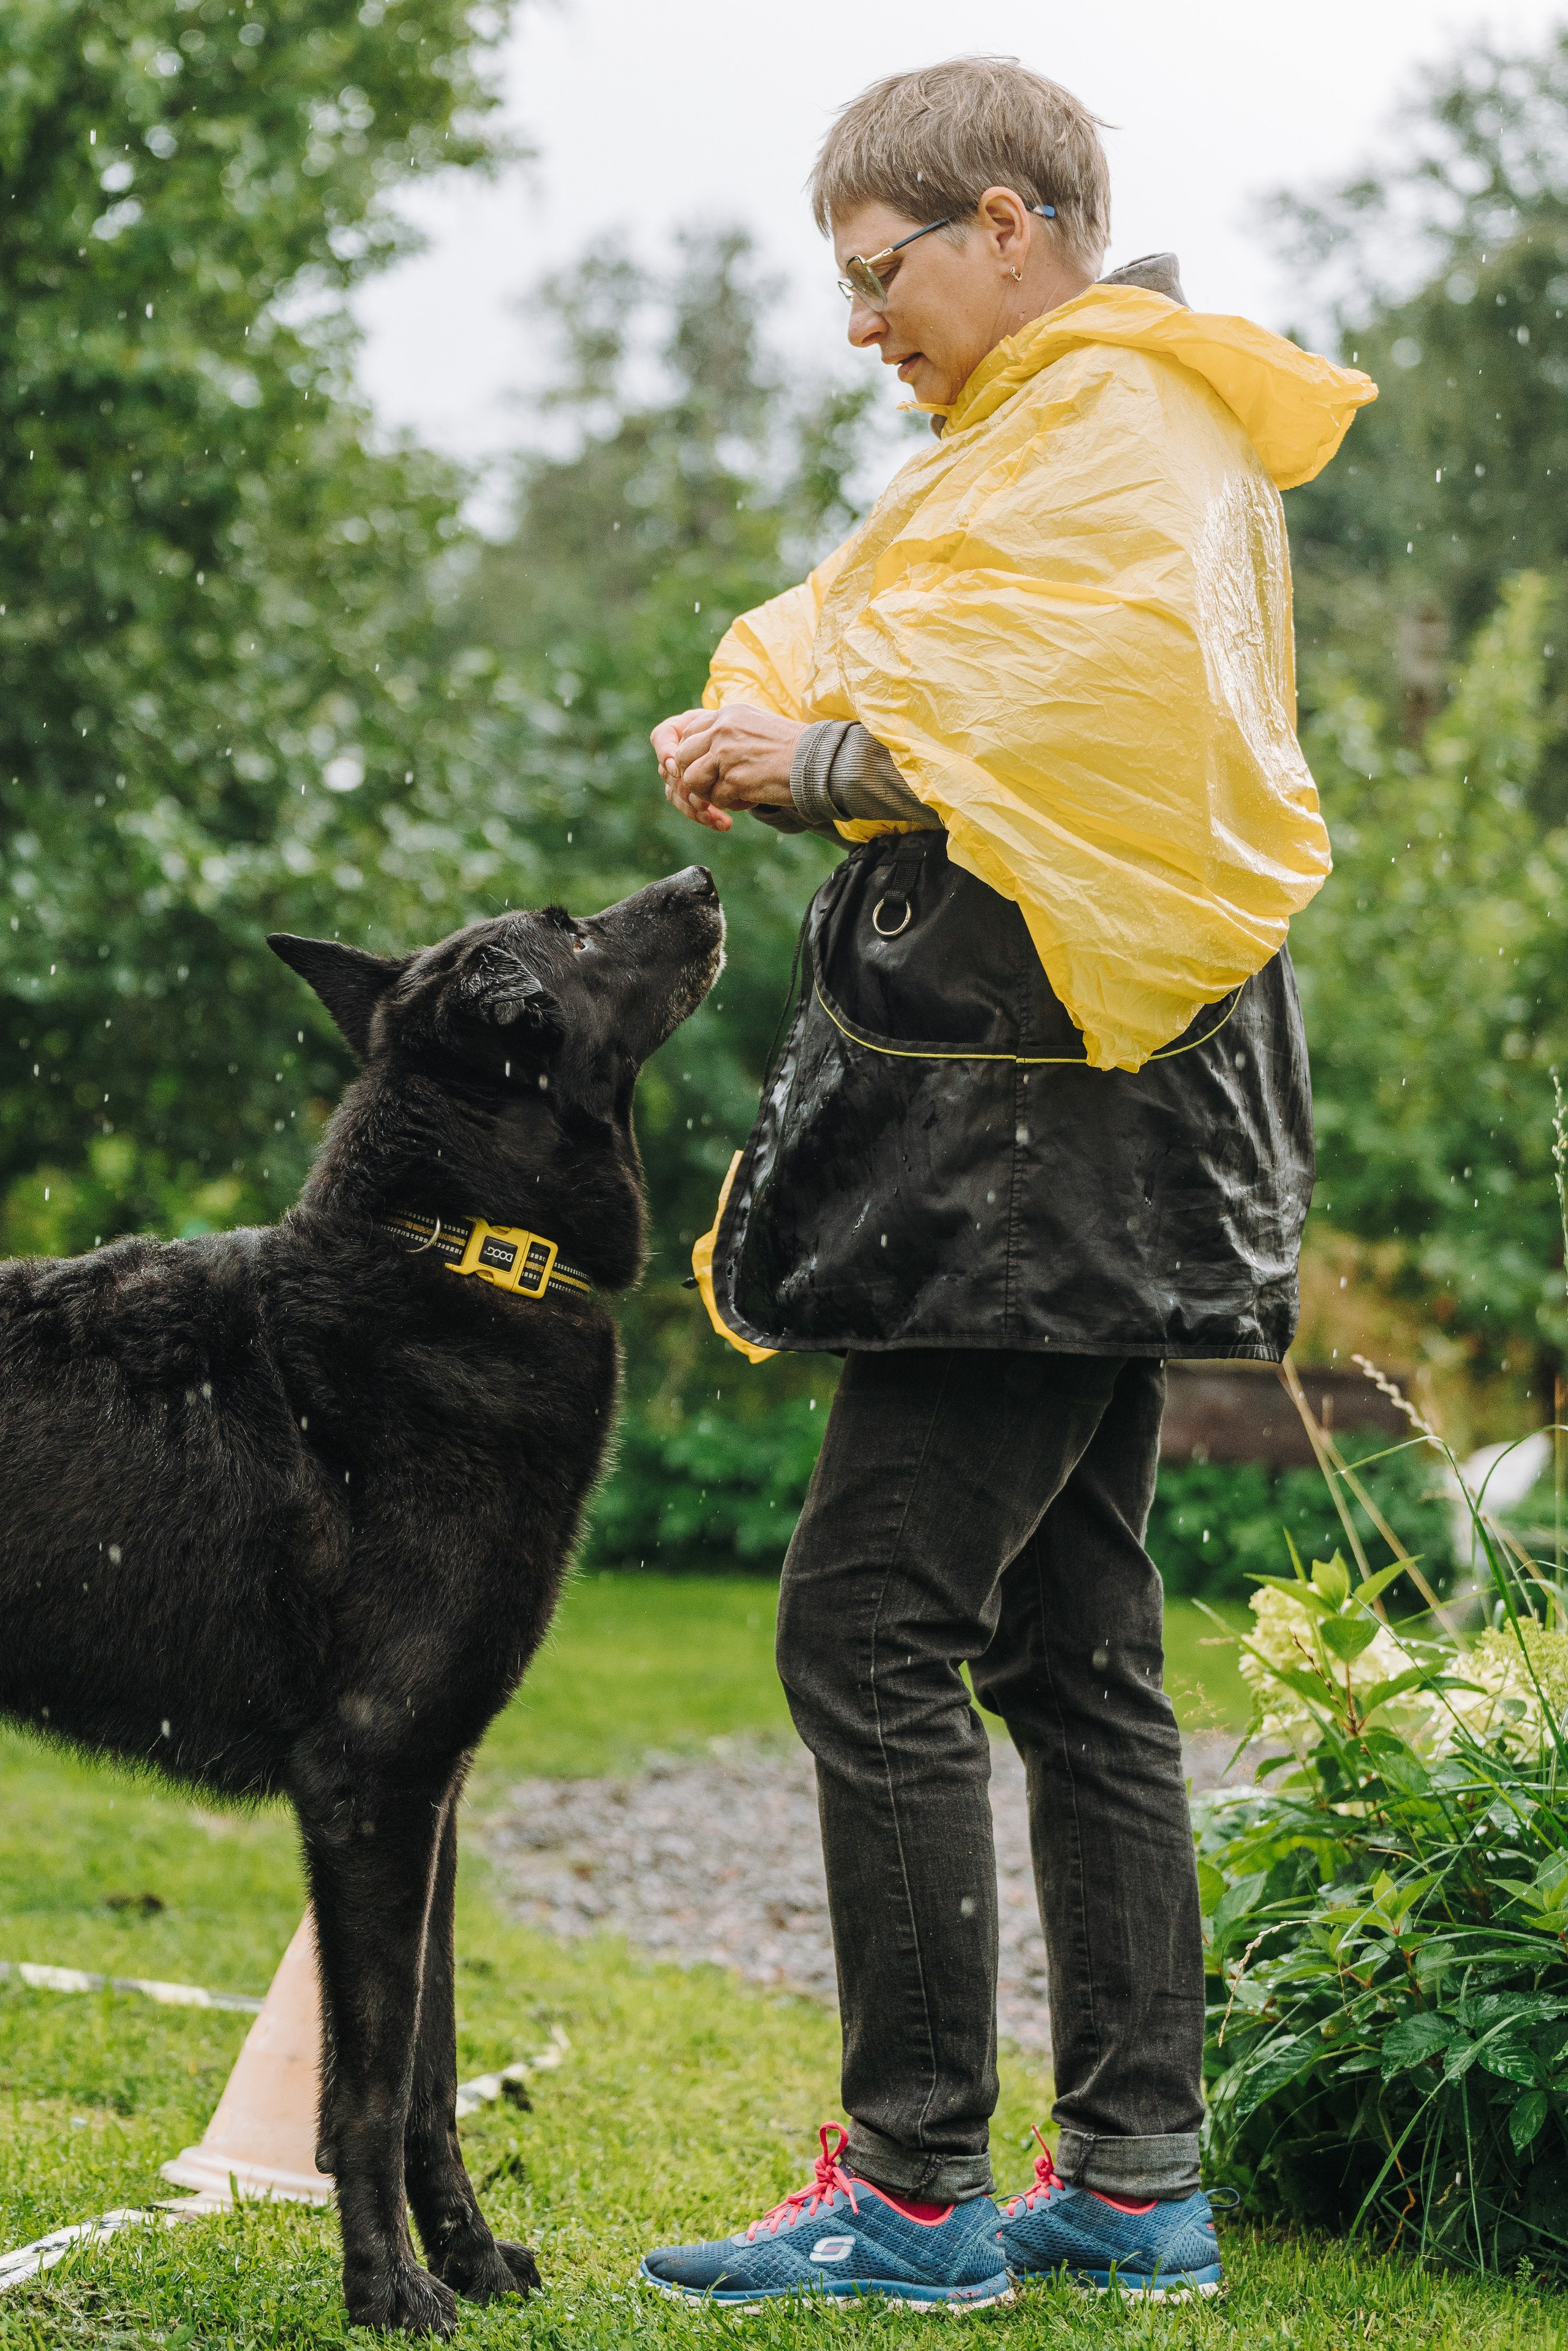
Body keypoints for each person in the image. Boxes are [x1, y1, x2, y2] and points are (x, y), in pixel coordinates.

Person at [638, 56, 1374, 2310]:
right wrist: (787, 721)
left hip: (1056, 1155)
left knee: (867, 1623)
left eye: (884, 280)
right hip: (1088, 1147)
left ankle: (916, 2191)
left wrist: (825, 753)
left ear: (1002, 222)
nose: (870, 331)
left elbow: (1112, 740)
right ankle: (1140, 2187)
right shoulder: (1063, 441)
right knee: (1075, 1651)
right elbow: (949, 676)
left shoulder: (1123, 429)